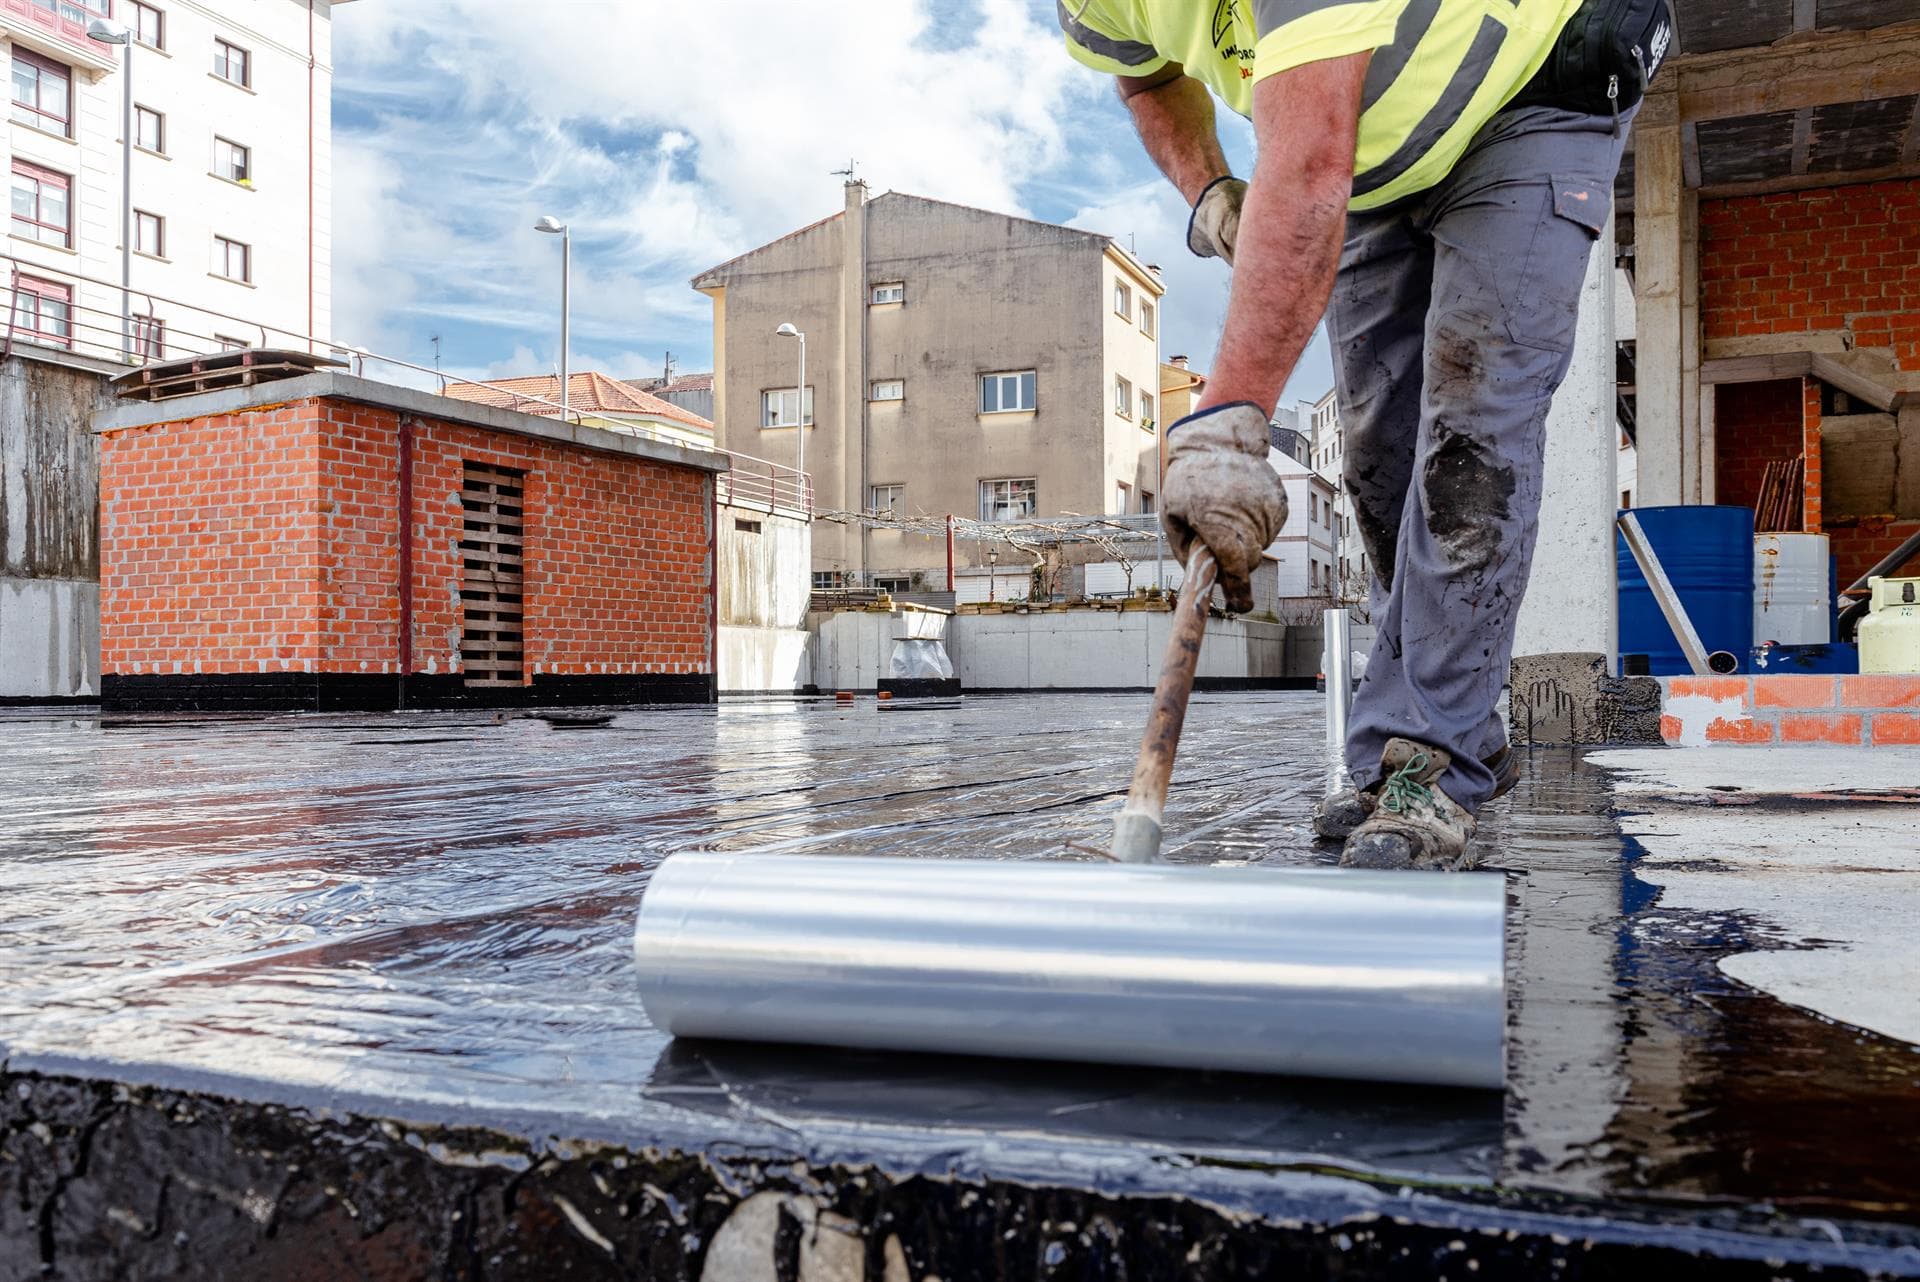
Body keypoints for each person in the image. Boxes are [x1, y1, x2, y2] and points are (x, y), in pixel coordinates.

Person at [1060, 0, 1669, 869]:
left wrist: (1227, 429)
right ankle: (1421, 747)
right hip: (1381, 156)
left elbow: (1309, 170)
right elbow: (1146, 73)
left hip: (1535, 95)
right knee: (1379, 459)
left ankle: (1430, 759)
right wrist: (1209, 189)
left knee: (1472, 439)